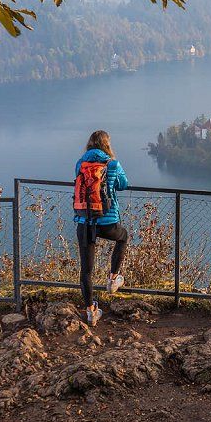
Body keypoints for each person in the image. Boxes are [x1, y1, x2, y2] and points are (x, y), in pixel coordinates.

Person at [73, 130, 129, 326]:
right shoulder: (112, 164)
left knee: (86, 270)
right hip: (106, 221)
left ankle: (91, 312)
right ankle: (113, 279)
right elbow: (123, 184)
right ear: (107, 145)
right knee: (123, 236)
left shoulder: (80, 163)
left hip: (85, 222)